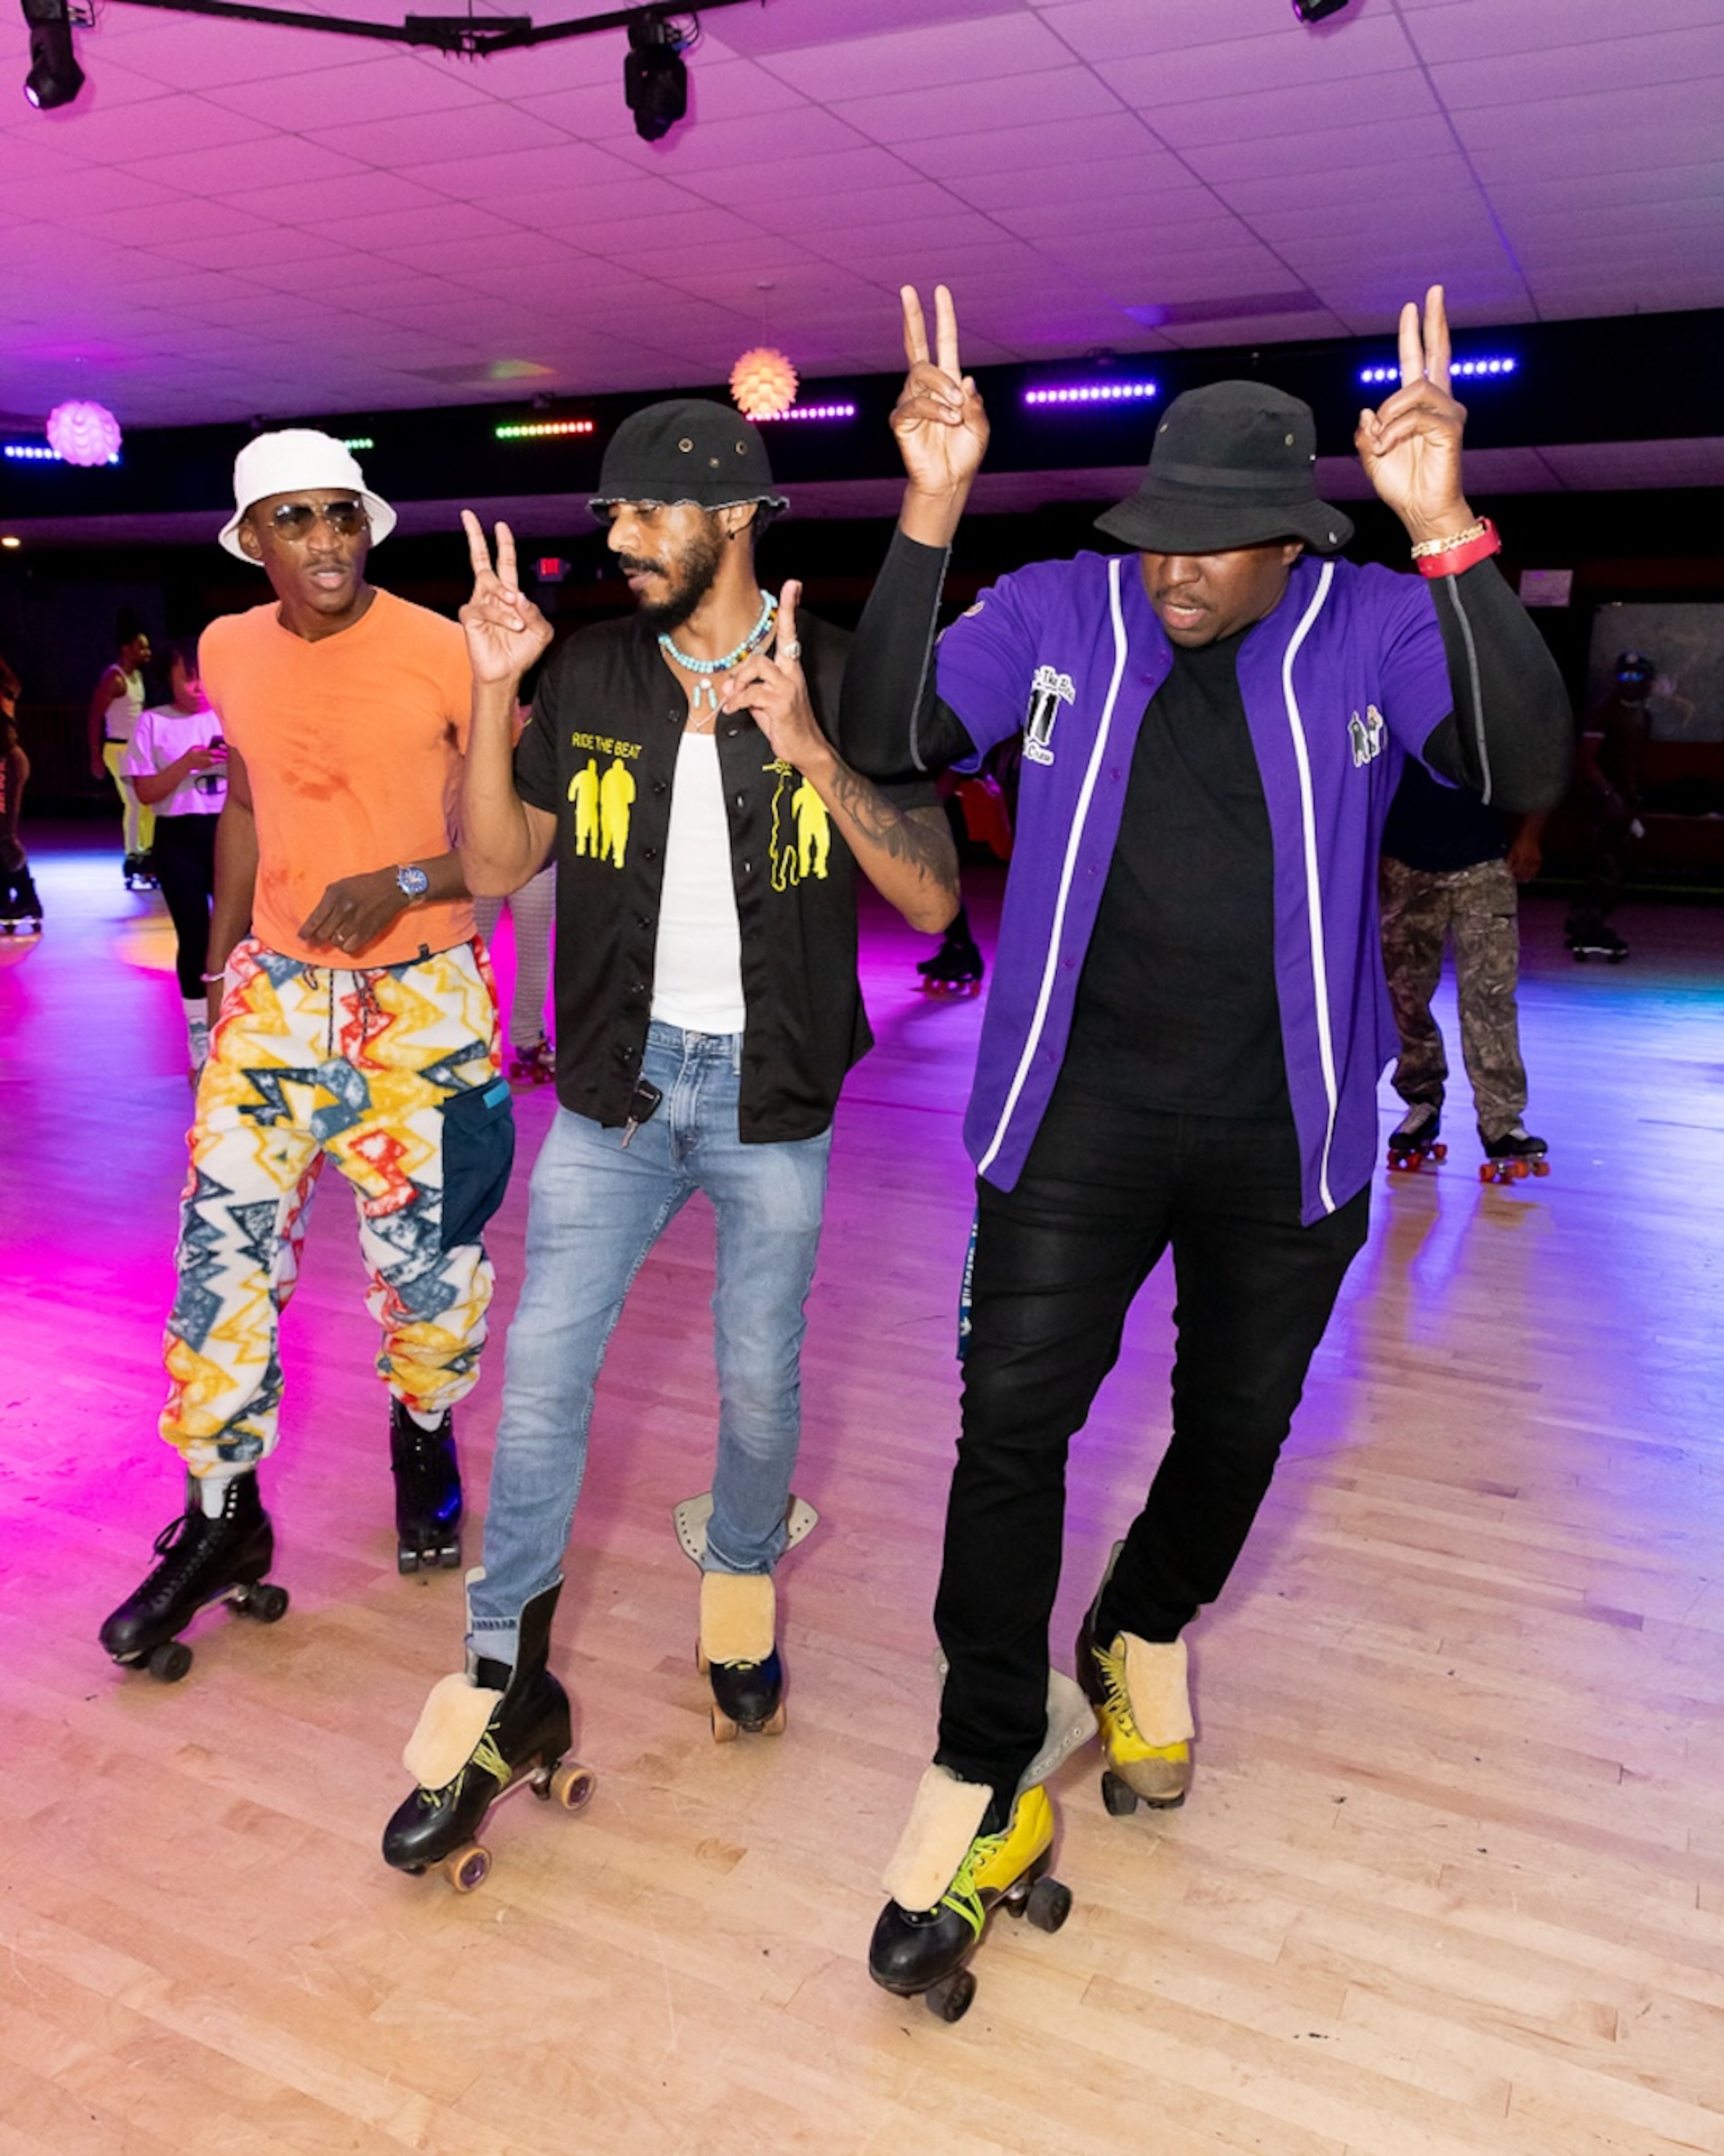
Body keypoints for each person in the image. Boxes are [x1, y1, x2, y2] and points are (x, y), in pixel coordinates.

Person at [838, 285, 1572, 2010]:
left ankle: (1142, 1621)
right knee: (1010, 1432)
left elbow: (1521, 760)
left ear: (1291, 537)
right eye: (1154, 536)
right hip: (1070, 1119)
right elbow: (886, 739)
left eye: (1214, 546)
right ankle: (977, 1774)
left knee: (1239, 1429)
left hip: (1287, 1132)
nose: (1175, 571)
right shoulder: (1055, 606)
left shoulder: (1371, 621)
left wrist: (1451, 527)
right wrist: (930, 508)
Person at [381, 401, 958, 1879]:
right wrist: (496, 689)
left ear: (731, 515)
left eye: (641, 513)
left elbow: (936, 904)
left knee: (759, 1385)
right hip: (614, 1098)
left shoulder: (844, 672)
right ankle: (504, 1679)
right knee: (542, 1389)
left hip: (770, 1100)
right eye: (614, 515)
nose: (618, 538)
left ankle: (744, 1585)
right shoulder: (587, 670)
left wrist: (807, 740)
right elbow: (501, 865)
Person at [98, 431, 516, 1684]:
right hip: (276, 999)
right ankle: (223, 1515)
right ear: (254, 541)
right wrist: (221, 964)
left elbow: (520, 835)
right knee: (218, 1254)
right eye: (297, 519)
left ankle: (425, 1433)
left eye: (344, 513)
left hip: (426, 998)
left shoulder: (449, 647)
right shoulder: (229, 649)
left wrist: (404, 879)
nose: (327, 539)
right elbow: (258, 808)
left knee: (434, 1265)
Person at [1379, 761, 1551, 1179]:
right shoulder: (1390, 695)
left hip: (1483, 862)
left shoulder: (1491, 697)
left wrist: (1530, 835)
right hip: (1404, 862)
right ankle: (1422, 1098)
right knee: (1404, 993)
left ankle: (1502, 1121)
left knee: (1489, 995)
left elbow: (1544, 761)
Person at [123, 634, 229, 1080]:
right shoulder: (153, 723)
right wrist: (187, 763)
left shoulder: (229, 714)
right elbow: (146, 792)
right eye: (187, 676)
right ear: (169, 677)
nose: (197, 686)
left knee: (239, 935)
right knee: (195, 934)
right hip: (178, 837)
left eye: (202, 674)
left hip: (229, 834)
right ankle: (199, 1034)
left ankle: (236, 1030)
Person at [1565, 650, 1654, 960]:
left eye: (1638, 677)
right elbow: (1586, 759)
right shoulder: (1605, 712)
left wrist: (1632, 801)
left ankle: (1584, 920)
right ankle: (1588, 929)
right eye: (1625, 676)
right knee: (1607, 869)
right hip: (1601, 805)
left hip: (1625, 803)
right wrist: (1608, 794)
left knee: (1622, 867)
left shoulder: (1641, 715)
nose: (1631, 683)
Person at [87, 609, 155, 888]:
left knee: (148, 802)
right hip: (118, 749)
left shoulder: (137, 677)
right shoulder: (114, 680)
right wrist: (95, 756)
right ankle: (132, 854)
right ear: (127, 649)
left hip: (136, 749)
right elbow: (94, 716)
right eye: (142, 647)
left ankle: (147, 851)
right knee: (135, 802)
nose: (147, 651)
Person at [0, 655, 42, 936]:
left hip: (5, 762)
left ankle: (28, 898)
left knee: (4, 835)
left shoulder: (4, 685)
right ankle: (6, 896)